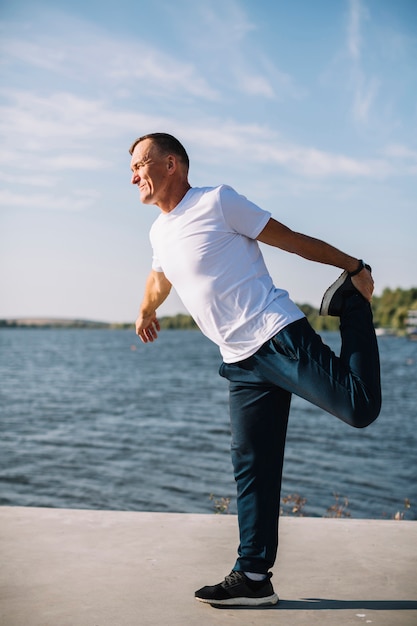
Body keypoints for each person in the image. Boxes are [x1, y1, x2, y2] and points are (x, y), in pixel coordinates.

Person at [129, 132, 381, 608]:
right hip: (239, 362)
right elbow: (159, 276)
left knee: (359, 408)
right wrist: (145, 310)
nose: (133, 175)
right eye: (131, 169)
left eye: (140, 164)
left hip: (276, 335)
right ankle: (253, 575)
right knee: (253, 468)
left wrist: (353, 266)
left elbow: (290, 239)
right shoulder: (159, 231)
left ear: (171, 164)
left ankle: (352, 307)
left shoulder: (218, 202)